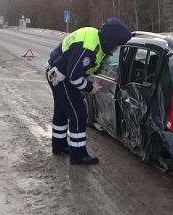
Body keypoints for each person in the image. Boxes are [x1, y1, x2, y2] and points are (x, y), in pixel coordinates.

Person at [46, 18, 131, 164]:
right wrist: (90, 87)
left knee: (61, 111)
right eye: (116, 45)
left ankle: (59, 145)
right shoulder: (89, 48)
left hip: (60, 74)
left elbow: (91, 66)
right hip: (62, 78)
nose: (115, 49)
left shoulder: (97, 39)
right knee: (78, 115)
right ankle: (78, 156)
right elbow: (73, 75)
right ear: (111, 41)